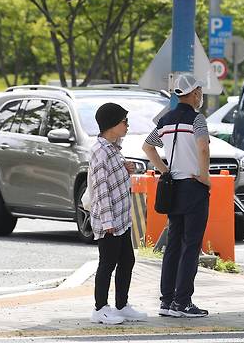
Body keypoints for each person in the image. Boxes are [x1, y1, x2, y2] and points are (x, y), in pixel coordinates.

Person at [142, 74, 211, 318]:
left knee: (173, 245)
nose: (200, 95)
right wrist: (204, 176)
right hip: (194, 187)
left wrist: (165, 170)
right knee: (191, 245)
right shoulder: (197, 119)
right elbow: (203, 147)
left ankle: (167, 301)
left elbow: (148, 146)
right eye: (200, 91)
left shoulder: (166, 119)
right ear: (193, 93)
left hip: (173, 189)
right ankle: (183, 302)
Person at [89, 102, 147, 325]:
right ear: (111, 124)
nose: (127, 125)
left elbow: (113, 176)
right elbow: (101, 187)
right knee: (107, 263)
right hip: (110, 220)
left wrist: (126, 168)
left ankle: (122, 305)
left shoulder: (113, 149)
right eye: (124, 121)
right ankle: (100, 309)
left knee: (127, 261)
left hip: (122, 217)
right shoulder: (100, 151)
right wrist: (107, 221)